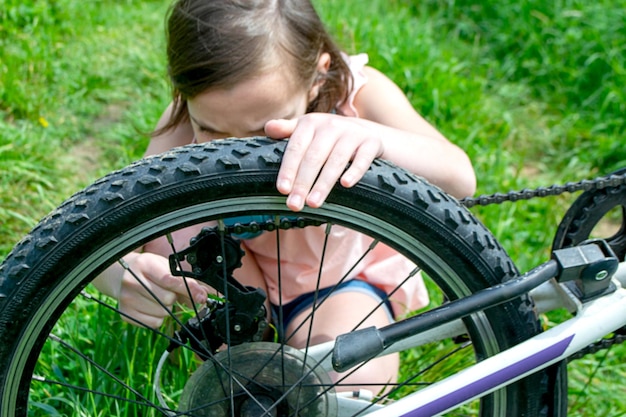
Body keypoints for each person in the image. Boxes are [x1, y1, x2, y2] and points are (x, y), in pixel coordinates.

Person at [93, 0, 476, 394]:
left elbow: (460, 178)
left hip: (335, 283)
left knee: (346, 383)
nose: (239, 154)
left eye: (263, 130)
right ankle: (237, 346)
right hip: (229, 282)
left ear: (317, 78)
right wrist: (124, 276)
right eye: (212, 131)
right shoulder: (183, 119)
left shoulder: (355, 97)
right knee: (167, 224)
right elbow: (110, 228)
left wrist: (373, 139)